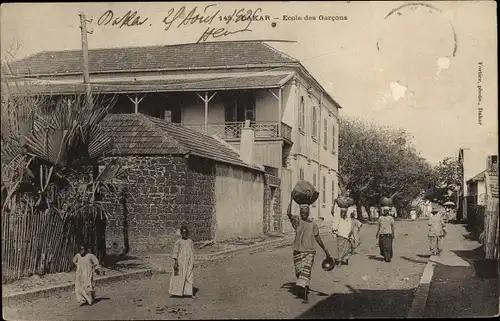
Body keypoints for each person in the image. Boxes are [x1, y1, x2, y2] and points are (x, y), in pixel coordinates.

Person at [287, 198, 331, 304]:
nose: (303, 214)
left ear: (308, 213)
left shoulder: (313, 224)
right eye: (302, 212)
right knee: (299, 273)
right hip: (298, 251)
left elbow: (318, 238)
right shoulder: (297, 222)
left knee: (305, 274)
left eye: (305, 212)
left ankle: (305, 297)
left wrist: (326, 251)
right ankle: (303, 291)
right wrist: (291, 199)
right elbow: (288, 213)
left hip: (309, 252)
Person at [169, 225, 195, 298]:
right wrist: (176, 262)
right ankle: (177, 292)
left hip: (189, 261)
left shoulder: (190, 241)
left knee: (189, 276)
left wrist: (192, 262)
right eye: (183, 233)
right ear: (181, 233)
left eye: (186, 233)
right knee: (179, 277)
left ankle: (188, 293)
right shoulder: (178, 242)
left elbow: (192, 251)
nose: (185, 234)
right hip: (181, 261)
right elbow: (175, 252)